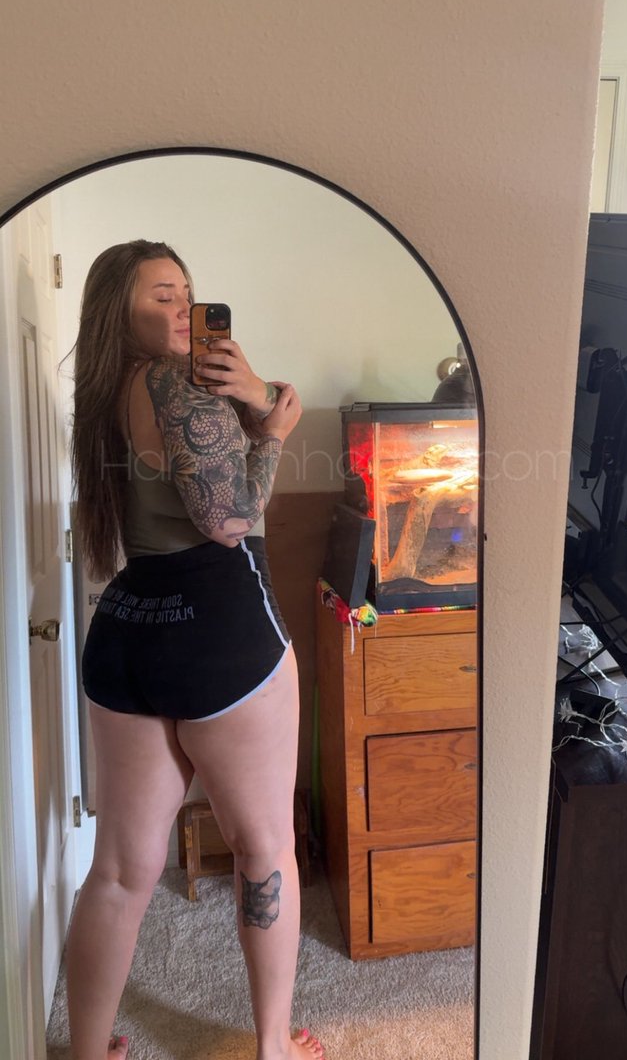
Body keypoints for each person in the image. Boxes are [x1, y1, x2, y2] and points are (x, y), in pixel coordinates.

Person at [66, 240, 323, 1060]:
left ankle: (85, 1051)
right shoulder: (175, 385)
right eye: (161, 296)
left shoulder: (103, 395)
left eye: (186, 293)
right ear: (120, 311)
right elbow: (229, 520)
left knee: (118, 871)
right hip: (220, 637)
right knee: (264, 849)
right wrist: (273, 433)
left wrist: (253, 398)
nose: (182, 309)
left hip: (126, 631)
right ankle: (273, 1046)